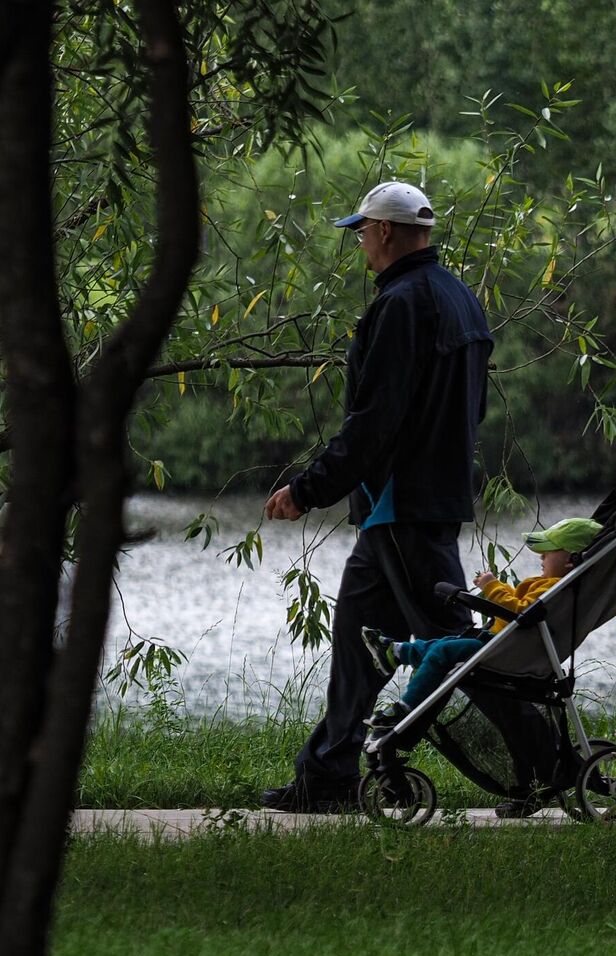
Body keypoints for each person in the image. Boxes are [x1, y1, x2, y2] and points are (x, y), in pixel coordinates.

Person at [258, 180, 493, 812]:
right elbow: (476, 408)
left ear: (385, 231)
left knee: (464, 653)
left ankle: (537, 762)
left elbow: (374, 421)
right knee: (359, 644)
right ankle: (328, 777)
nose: (360, 243)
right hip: (423, 502)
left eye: (361, 231)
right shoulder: (460, 300)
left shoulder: (401, 305)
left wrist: (308, 491)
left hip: (402, 507)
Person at [361, 516, 604, 722]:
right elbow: (521, 607)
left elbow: (521, 611)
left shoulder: (555, 589)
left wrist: (493, 587)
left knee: (442, 652)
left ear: (571, 559)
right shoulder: (550, 587)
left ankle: (405, 707)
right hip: (499, 642)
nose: (541, 557)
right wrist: (496, 588)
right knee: (442, 645)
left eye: (548, 553)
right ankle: (396, 652)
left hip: (504, 650)